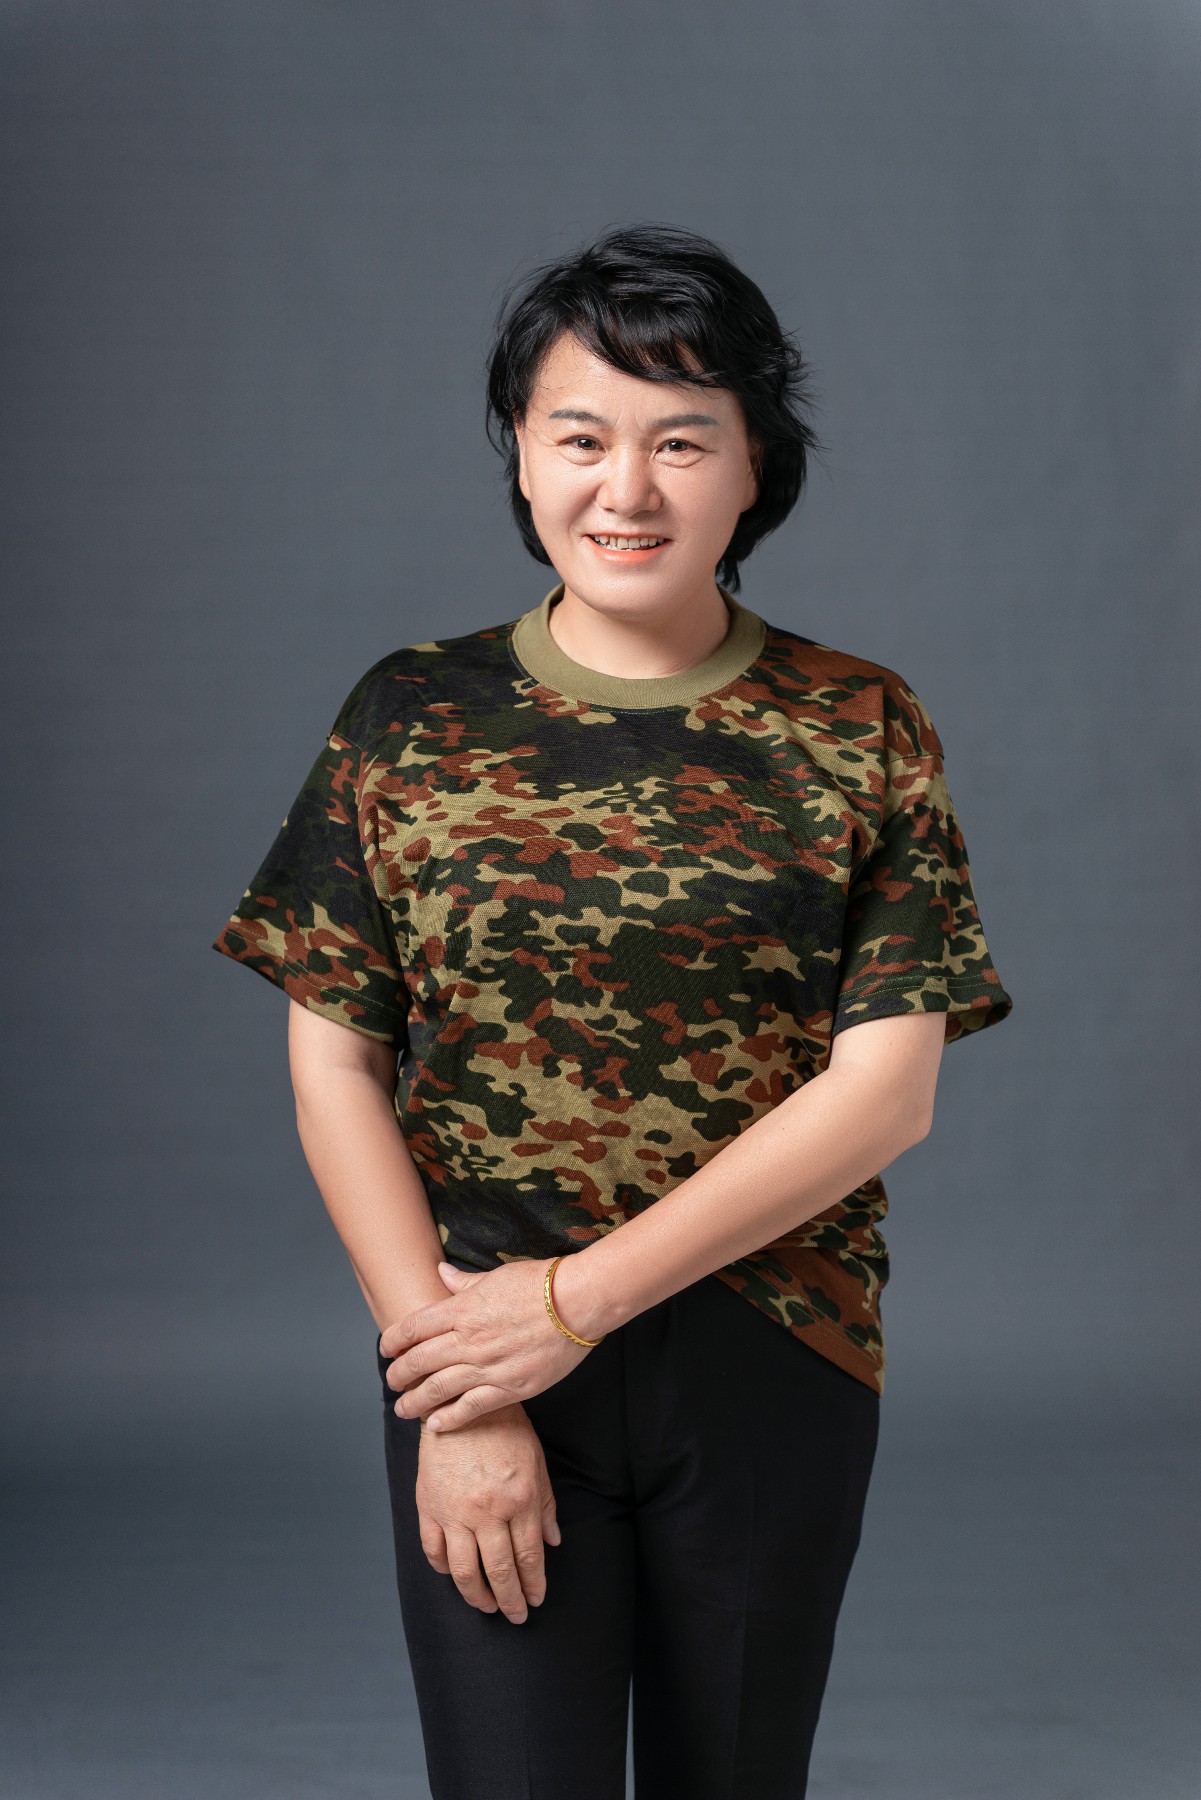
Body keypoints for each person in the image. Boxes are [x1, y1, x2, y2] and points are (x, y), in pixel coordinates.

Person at [212, 221, 1013, 1799]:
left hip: (772, 1350)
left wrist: (571, 1304)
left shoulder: (856, 721)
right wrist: (456, 1385)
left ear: (753, 467)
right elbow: (335, 1070)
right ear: (521, 456)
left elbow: (886, 1092)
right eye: (580, 437)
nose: (625, 489)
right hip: (469, 1344)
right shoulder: (410, 715)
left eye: (679, 441)